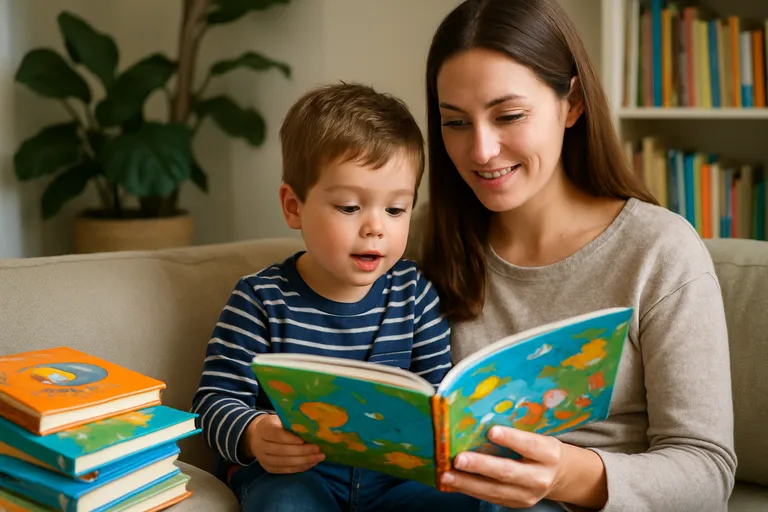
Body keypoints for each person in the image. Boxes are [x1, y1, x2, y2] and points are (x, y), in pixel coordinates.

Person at [409, 0, 738, 511]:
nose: (480, 151)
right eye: (455, 123)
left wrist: (566, 475)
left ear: (572, 104)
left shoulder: (659, 251)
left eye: (509, 116)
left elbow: (707, 471)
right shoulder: (421, 236)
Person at [191, 82, 480, 512]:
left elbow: (439, 396)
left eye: (396, 209)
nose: (375, 227)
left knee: (467, 500)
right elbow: (212, 402)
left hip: (394, 479)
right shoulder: (260, 300)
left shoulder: (416, 295)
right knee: (285, 501)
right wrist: (253, 434)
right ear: (294, 206)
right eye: (349, 207)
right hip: (296, 473)